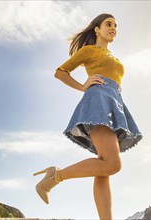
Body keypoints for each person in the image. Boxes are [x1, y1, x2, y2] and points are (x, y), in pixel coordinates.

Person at [33, 13, 142, 219]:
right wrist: (83, 86)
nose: (113, 28)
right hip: (98, 102)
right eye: (108, 24)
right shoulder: (89, 50)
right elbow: (61, 72)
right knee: (113, 164)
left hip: (114, 104)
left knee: (105, 166)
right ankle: (54, 177)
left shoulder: (115, 58)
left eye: (116, 26)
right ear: (97, 30)